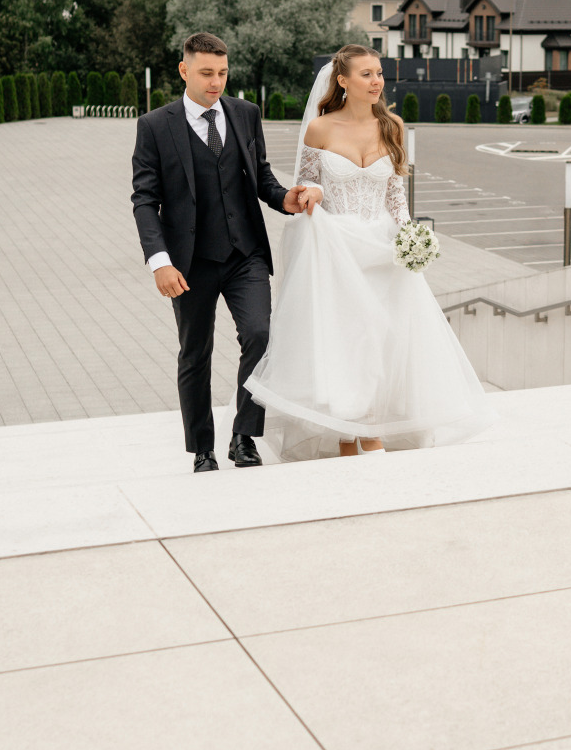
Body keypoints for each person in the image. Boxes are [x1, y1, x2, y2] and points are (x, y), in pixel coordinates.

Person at [244, 44, 496, 460]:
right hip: (336, 249)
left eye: (379, 73)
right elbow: (311, 187)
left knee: (384, 340)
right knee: (346, 340)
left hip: (383, 251)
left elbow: (396, 196)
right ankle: (346, 432)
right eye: (366, 74)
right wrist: (313, 194)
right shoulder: (320, 129)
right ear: (342, 81)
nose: (377, 81)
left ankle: (374, 428)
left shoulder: (393, 126)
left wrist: (410, 237)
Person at [130, 31, 317, 473]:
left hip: (244, 254)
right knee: (195, 352)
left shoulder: (246, 114)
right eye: (207, 73)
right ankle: (202, 448)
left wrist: (285, 198)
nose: (216, 82)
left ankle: (243, 436)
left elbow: (261, 177)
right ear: (184, 70)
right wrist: (160, 262)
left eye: (223, 73)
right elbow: (144, 200)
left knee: (260, 336)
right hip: (188, 263)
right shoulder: (155, 126)